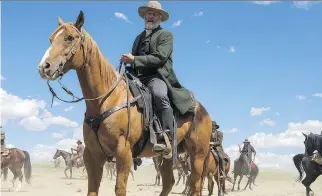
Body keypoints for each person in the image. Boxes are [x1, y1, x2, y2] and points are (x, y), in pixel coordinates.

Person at [120, 1, 195, 159]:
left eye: (154, 14)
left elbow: (160, 58)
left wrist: (134, 59)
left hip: (157, 76)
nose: (150, 16)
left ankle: (166, 137)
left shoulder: (166, 35)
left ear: (160, 17)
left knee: (159, 95)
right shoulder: (138, 38)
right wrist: (126, 66)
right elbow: (134, 62)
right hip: (138, 77)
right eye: (148, 13)